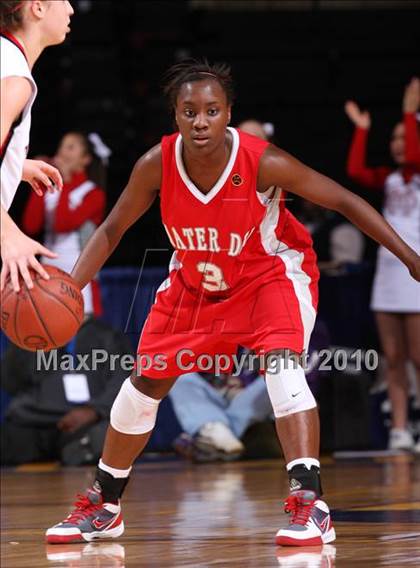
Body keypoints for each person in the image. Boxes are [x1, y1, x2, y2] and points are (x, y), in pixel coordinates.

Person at [46, 60, 420, 547]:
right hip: (195, 283)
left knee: (282, 368)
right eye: (189, 111)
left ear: (227, 114)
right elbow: (113, 228)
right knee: (141, 386)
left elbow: (345, 201)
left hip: (268, 276)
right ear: (175, 116)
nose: (200, 121)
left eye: (211, 110)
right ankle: (105, 504)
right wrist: (70, 287)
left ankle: (312, 506)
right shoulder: (156, 164)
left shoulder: (263, 161)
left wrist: (411, 258)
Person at [345, 77, 420, 452]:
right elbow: (356, 172)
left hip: (416, 272)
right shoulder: (389, 179)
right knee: (393, 357)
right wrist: (362, 131)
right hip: (389, 274)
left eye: (405, 137)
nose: (399, 145)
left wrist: (410, 112)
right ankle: (400, 430)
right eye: (394, 139)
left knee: (419, 356)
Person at [0, 0, 74, 293]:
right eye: (64, 0)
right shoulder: (14, 81)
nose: (71, 9)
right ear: (38, 8)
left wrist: (14, 164)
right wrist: (9, 235)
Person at [1, 315, 133, 466]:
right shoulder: (35, 334)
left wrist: (95, 410)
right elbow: (10, 382)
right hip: (37, 419)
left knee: (112, 435)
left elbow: (123, 379)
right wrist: (26, 337)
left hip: (86, 422)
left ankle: (81, 450)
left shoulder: (105, 335)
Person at [22, 131, 109, 314]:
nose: (63, 152)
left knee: (81, 329)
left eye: (70, 147)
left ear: (85, 159)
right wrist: (37, 181)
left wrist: (66, 181)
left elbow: (63, 223)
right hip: (48, 269)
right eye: (62, 146)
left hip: (79, 272)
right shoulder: (50, 189)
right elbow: (31, 225)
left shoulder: (93, 194)